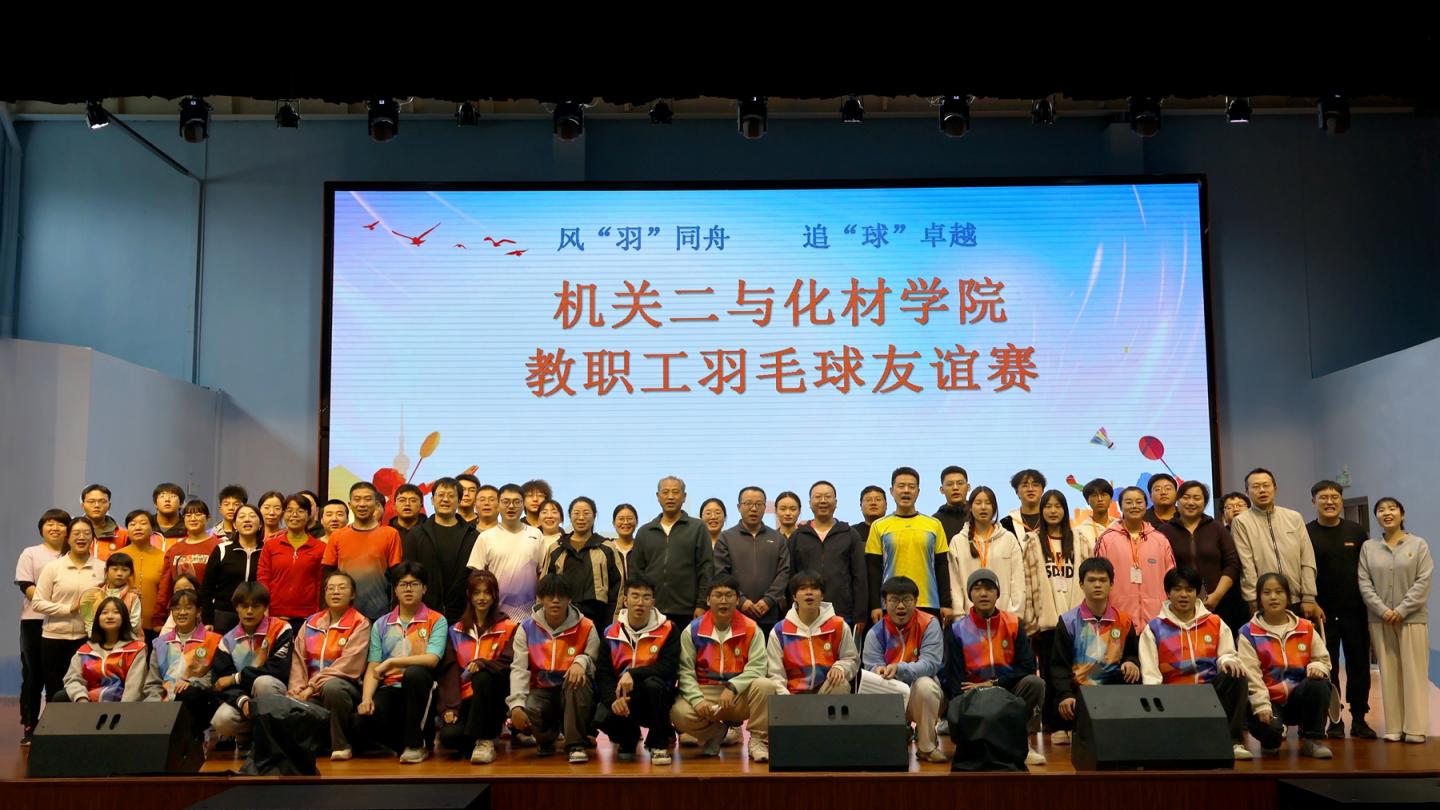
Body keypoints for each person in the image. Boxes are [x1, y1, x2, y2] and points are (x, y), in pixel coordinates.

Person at [1138, 566, 1252, 760]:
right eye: (1177, 589)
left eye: (1189, 590)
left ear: (1197, 593)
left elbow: (1226, 654)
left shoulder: (1215, 622)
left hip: (1210, 693)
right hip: (1173, 697)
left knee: (1237, 673)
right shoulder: (1153, 629)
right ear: (1168, 593)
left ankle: (1233, 742)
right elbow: (1151, 676)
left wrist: (1227, 660)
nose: (1184, 595)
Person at [946, 568, 1048, 766]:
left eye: (989, 588)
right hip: (973, 693)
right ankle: (973, 745)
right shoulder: (957, 629)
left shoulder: (1014, 624)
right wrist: (976, 690)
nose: (983, 594)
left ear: (998, 593)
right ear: (970, 594)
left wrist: (994, 683)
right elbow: (954, 675)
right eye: (977, 589)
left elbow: (1027, 666)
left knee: (1035, 683)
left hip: (1007, 689)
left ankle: (1023, 743)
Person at [670, 575, 778, 762]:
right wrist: (697, 700)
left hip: (738, 694)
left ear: (737, 600)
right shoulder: (692, 631)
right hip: (706, 692)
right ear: (708, 600)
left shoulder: (751, 628)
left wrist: (733, 686)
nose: (723, 600)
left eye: (729, 595)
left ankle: (758, 740)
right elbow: (685, 672)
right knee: (677, 712)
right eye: (717, 595)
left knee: (766, 685)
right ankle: (715, 733)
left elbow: (758, 667)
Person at [357, 561, 448, 763]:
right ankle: (404, 742)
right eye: (403, 584)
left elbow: (432, 659)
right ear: (395, 590)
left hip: (422, 686)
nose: (408, 589)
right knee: (361, 721)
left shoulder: (436, 620)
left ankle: (416, 744)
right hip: (391, 686)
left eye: (414, 584)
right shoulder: (381, 624)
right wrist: (366, 698)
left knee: (414, 674)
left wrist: (393, 662)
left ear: (424, 589)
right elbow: (373, 666)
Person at [1358, 497, 1432, 744]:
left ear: (1402, 514)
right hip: (1380, 620)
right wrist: (1381, 609)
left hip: (1412, 619)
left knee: (1414, 673)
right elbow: (1364, 582)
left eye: (1392, 509)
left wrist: (1401, 609)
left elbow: (1423, 581)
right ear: (1376, 517)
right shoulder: (1369, 547)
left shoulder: (1418, 545)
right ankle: (1394, 726)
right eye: (1381, 510)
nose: (1386, 513)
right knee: (1388, 673)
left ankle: (1415, 728)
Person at [1236, 572, 1334, 758]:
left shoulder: (1306, 627)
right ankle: (1269, 741)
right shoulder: (1248, 633)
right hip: (1268, 700)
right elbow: (1251, 675)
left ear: (1288, 597)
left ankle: (1312, 740)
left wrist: (1317, 667)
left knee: (1319, 684)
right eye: (1267, 593)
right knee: (1271, 732)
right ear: (1259, 599)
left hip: (1299, 696)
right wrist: (1262, 705)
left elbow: (1323, 659)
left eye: (1279, 592)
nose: (1273, 597)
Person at [1306, 479, 1376, 739]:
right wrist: (1311, 602)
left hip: (1355, 612)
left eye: (1334, 497)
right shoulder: (1306, 533)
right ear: (1313, 502)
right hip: (1321, 614)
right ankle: (1334, 720)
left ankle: (1359, 718)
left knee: (1359, 666)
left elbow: (1367, 571)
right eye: (1323, 497)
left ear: (1341, 500)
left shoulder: (1356, 531)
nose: (1329, 502)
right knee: (1328, 668)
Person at [507, 574, 599, 763]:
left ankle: (575, 744)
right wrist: (516, 705)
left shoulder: (587, 626)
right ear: (540, 599)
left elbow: (595, 660)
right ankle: (546, 740)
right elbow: (519, 669)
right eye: (550, 596)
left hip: (571, 689)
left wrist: (581, 661)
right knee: (525, 707)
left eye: (561, 596)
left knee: (579, 682)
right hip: (541, 691)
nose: (555, 600)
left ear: (569, 598)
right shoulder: (526, 628)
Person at [595, 573, 682, 764]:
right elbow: (603, 673)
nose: (640, 602)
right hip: (623, 695)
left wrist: (632, 674)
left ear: (653, 602)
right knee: (601, 717)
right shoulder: (610, 632)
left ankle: (658, 743)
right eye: (635, 596)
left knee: (653, 686)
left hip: (658, 695)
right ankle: (628, 738)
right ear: (625, 601)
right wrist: (613, 700)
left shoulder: (669, 629)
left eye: (646, 597)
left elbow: (669, 667)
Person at [1049, 558, 1142, 735]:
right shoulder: (1068, 622)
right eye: (1091, 580)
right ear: (1081, 584)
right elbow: (1059, 666)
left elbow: (1133, 653)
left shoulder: (1124, 620)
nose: (1097, 585)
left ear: (1111, 584)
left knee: (1134, 679)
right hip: (1079, 691)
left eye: (1103, 580)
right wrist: (1065, 695)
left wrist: (1131, 661)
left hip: (1113, 689)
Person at [859, 575, 945, 761]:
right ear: (884, 602)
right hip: (890, 695)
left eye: (906, 599)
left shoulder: (929, 624)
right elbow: (871, 666)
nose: (900, 606)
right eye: (894, 600)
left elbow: (931, 663)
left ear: (916, 601)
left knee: (925, 685)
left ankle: (926, 747)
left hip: (920, 697)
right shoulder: (875, 632)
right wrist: (877, 671)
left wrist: (899, 669)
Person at [437, 570, 519, 764]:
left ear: (495, 595)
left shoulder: (509, 627)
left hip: (494, 697)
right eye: (476, 593)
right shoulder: (455, 630)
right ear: (469, 595)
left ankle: (485, 739)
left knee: (483, 676)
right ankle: (480, 737)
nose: (482, 598)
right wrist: (450, 707)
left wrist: (483, 664)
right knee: (449, 738)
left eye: (487, 592)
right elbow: (449, 671)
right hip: (465, 698)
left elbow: (509, 664)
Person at [289, 570, 372, 760]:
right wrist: (297, 689)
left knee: (332, 687)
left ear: (353, 594)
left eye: (342, 588)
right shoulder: (311, 623)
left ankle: (341, 745)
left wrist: (312, 686)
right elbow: (298, 660)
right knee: (290, 702)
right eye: (331, 588)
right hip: (310, 690)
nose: (335, 592)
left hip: (345, 687)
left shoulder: (360, 623)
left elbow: (349, 665)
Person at [1033, 490, 1092, 743]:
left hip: (1076, 619)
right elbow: (1028, 582)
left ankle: (1078, 723)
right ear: (1042, 511)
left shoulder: (1079, 539)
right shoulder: (1032, 541)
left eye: (1058, 506)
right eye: (1048, 506)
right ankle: (1055, 725)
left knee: (1078, 672)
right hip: (1047, 619)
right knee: (1049, 672)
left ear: (1065, 510)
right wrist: (1032, 619)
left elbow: (1090, 575)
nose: (1053, 511)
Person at [209, 582, 293, 753]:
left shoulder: (281, 629)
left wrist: (235, 678)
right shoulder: (227, 641)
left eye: (255, 606)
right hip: (244, 698)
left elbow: (278, 670)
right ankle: (248, 737)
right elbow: (220, 682)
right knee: (221, 720)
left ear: (265, 607)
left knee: (263, 683)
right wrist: (242, 701)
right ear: (236, 608)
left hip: (277, 692)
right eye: (244, 606)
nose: (249, 611)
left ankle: (274, 741)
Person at [1158, 480, 1247, 638]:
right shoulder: (1164, 531)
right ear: (1177, 500)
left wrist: (1217, 595)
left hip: (1218, 603)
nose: (1191, 502)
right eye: (1186, 497)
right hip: (1177, 603)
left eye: (1197, 498)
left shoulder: (1217, 528)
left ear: (1205, 502)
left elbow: (1232, 564)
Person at [1231, 468, 1321, 621]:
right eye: (1256, 486)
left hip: (1297, 599)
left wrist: (1309, 596)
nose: (1262, 490)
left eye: (1266, 485)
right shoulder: (1241, 522)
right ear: (1247, 492)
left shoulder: (1294, 517)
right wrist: (1253, 600)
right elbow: (1247, 565)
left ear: (1275, 488)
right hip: (1264, 601)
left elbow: (1307, 558)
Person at [31, 516, 105, 702]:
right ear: (68, 538)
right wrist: (69, 608)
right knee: (55, 692)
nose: (81, 537)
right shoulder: (53, 568)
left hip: (87, 640)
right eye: (76, 533)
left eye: (86, 533)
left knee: (86, 691)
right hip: (54, 638)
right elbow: (37, 603)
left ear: (93, 538)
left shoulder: (102, 568)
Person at [866, 467, 951, 623]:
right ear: (891, 491)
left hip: (928, 602)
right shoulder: (879, 526)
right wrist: (875, 606)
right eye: (901, 486)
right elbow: (873, 570)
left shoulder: (934, 525)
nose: (906, 490)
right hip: (891, 603)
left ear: (918, 492)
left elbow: (942, 567)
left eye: (911, 487)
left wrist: (946, 603)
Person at [630, 476, 715, 627]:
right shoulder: (645, 531)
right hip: (652, 610)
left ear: (684, 496)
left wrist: (702, 604)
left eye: (675, 492)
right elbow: (636, 572)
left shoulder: (697, 528)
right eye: (665, 492)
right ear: (658, 496)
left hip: (688, 610)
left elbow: (706, 568)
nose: (670, 497)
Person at [15, 508, 69, 741]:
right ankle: (30, 725)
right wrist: (52, 604)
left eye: (60, 524)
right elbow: (26, 585)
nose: (55, 528)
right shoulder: (31, 553)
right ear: (41, 529)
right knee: (33, 674)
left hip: (66, 623)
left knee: (60, 675)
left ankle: (58, 724)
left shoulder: (73, 555)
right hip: (35, 621)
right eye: (49, 523)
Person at [789, 481, 868, 635]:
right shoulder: (798, 536)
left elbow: (859, 576)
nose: (823, 501)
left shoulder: (850, 534)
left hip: (842, 612)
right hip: (806, 614)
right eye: (818, 497)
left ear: (836, 502)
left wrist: (860, 614)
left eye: (828, 496)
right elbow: (791, 575)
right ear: (810, 503)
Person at [1093, 486, 1175, 626]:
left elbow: (1172, 578)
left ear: (1146, 505)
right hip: (1117, 619)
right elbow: (1097, 579)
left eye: (1139, 502)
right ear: (1120, 507)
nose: (1134, 506)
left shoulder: (1160, 540)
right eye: (1129, 502)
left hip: (1157, 619)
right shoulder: (1106, 539)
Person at [145, 589, 221, 741]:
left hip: (200, 701)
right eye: (177, 608)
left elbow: (215, 677)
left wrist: (192, 683)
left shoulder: (214, 640)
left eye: (188, 608)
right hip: (166, 703)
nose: (182, 612)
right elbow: (153, 683)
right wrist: (154, 707)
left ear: (198, 611)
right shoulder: (160, 643)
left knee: (188, 693)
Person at [322, 481, 404, 621]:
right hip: (344, 612)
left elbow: (396, 576)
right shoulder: (337, 536)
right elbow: (328, 576)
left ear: (376, 504)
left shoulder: (390, 534)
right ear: (350, 505)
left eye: (367, 499)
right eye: (357, 499)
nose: (362, 504)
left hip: (380, 613)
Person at [403, 477, 480, 625]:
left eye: (451, 496)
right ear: (432, 500)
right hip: (423, 614)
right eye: (441, 495)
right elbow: (407, 575)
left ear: (459, 501)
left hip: (463, 615)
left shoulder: (473, 536)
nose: (445, 499)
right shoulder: (416, 534)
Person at [767, 571, 859, 695]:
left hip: (825, 689)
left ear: (822, 596)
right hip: (792, 694)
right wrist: (786, 699)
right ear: (794, 596)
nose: (809, 592)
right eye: (803, 588)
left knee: (841, 684)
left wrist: (841, 667)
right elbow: (775, 674)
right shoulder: (779, 631)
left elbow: (852, 659)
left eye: (815, 588)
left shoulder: (838, 625)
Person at [716, 486, 791, 638]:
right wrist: (741, 600)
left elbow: (784, 571)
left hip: (770, 614)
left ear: (765, 507)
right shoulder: (726, 537)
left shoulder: (777, 538)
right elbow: (721, 573)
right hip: (736, 613)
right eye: (748, 503)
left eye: (758, 504)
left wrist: (769, 600)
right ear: (739, 507)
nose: (753, 508)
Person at [467, 483, 545, 623]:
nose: (511, 506)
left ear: (523, 505)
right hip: (494, 615)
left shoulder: (536, 534)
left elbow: (542, 573)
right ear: (498, 504)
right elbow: (477, 579)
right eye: (505, 502)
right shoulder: (485, 537)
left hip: (529, 616)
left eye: (516, 502)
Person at [544, 496, 622, 631]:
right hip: (561, 616)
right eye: (576, 513)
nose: (581, 517)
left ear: (594, 516)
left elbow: (618, 586)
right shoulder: (556, 548)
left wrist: (612, 621)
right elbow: (545, 585)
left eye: (586, 513)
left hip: (598, 618)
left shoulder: (606, 547)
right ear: (569, 516)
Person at [949, 486, 1029, 616]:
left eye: (988, 503)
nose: (983, 507)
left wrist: (1014, 615)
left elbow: (1017, 581)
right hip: (969, 620)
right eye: (978, 503)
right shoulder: (958, 541)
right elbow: (955, 585)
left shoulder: (1008, 539)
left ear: (994, 508)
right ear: (970, 507)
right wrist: (959, 617)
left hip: (1004, 617)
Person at [257, 494, 327, 634]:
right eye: (289, 510)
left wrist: (319, 614)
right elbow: (263, 578)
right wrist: (264, 609)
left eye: (300, 511)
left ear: (309, 515)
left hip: (307, 618)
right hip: (275, 616)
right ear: (284, 514)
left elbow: (321, 584)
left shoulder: (320, 548)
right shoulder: (271, 546)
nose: (294, 515)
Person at [63, 596, 149, 703]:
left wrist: (122, 711)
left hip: (121, 706)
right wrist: (81, 698)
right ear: (97, 618)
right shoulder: (85, 650)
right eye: (104, 612)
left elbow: (134, 687)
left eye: (116, 612)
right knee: (60, 696)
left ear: (124, 617)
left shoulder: (136, 649)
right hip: (88, 704)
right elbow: (73, 679)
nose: (110, 616)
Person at [152, 499, 221, 628]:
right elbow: (165, 585)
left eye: (198, 514)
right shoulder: (175, 549)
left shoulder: (219, 546)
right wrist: (158, 615)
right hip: (179, 612)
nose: (193, 519)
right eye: (188, 515)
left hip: (208, 614)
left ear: (208, 518)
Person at [202, 503, 264, 634]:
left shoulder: (267, 551)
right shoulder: (222, 549)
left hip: (257, 615)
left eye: (252, 516)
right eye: (242, 516)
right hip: (224, 615)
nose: (247, 519)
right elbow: (207, 587)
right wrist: (207, 620)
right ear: (235, 525)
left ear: (260, 524)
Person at [121, 511, 168, 641]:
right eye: (132, 524)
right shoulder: (118, 557)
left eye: (143, 523)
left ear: (153, 528)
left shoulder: (164, 557)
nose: (138, 527)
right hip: (123, 625)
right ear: (127, 530)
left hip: (155, 626)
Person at [87, 551, 142, 636]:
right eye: (115, 569)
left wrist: (116, 637)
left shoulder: (133, 597)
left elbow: (134, 623)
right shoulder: (96, 595)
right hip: (99, 639)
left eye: (125, 570)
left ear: (131, 573)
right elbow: (89, 620)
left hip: (126, 640)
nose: (119, 573)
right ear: (106, 571)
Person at [80, 484, 129, 562]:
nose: (96, 505)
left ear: (109, 505)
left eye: (102, 501)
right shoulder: (72, 533)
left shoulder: (123, 535)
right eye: (91, 501)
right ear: (82, 505)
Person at [999, 469, 1046, 541]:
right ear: (1017, 492)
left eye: (1035, 485)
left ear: (1042, 490)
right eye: (1025, 485)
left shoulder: (1052, 520)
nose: (1030, 489)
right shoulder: (1006, 524)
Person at [933, 465, 971, 543]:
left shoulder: (978, 515)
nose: (955, 488)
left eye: (960, 483)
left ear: (968, 487)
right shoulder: (936, 521)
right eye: (950, 484)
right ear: (942, 490)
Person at [608, 503, 639, 582]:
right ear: (613, 523)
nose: (625, 522)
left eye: (630, 518)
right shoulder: (607, 549)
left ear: (637, 522)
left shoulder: (642, 547)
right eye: (621, 519)